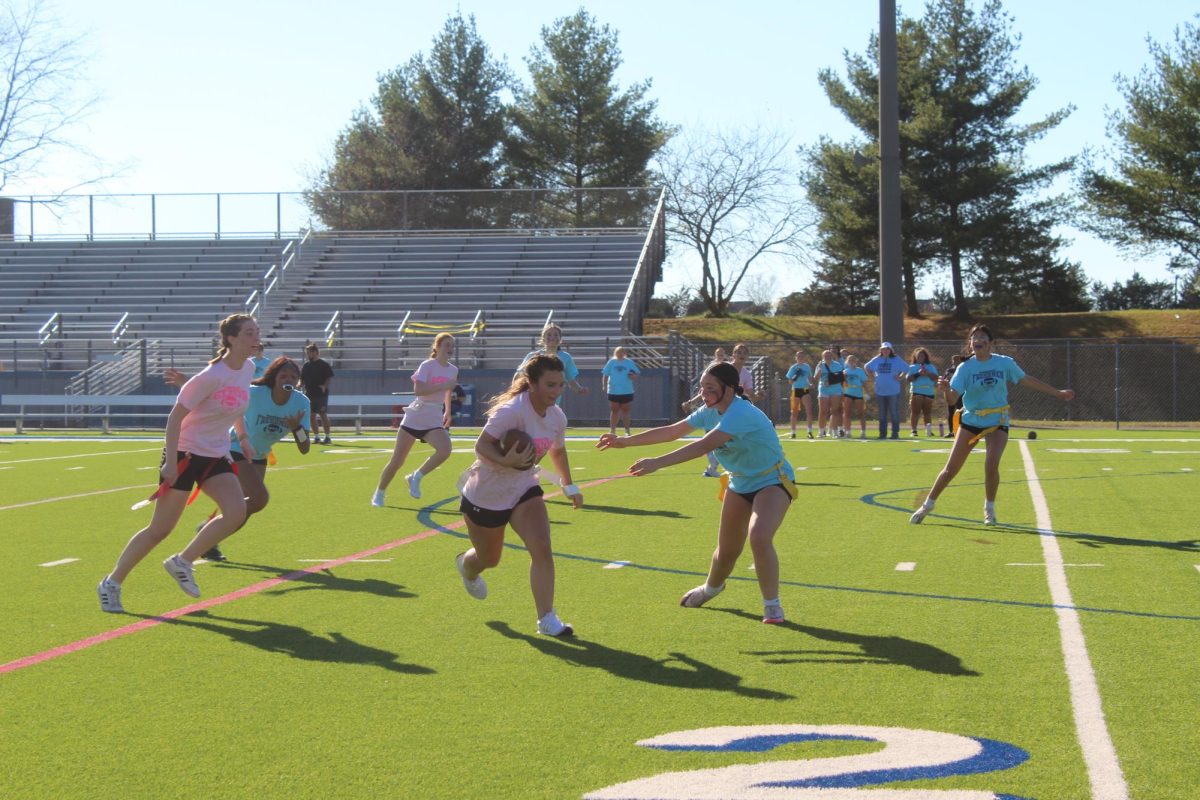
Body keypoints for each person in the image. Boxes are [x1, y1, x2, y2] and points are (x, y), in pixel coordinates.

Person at [597, 361, 796, 624]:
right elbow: (672, 432)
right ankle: (712, 588)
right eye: (702, 387)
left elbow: (702, 446)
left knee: (758, 536)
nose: (704, 393)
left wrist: (656, 462)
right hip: (740, 482)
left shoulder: (740, 413)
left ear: (730, 388)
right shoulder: (709, 410)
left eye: (710, 388)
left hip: (773, 479)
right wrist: (624, 441)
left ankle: (772, 605)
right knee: (726, 552)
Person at [96, 313, 260, 612]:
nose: (255, 338)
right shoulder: (210, 376)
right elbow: (174, 419)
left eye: (256, 332)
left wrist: (244, 437)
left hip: (215, 454)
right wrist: (170, 462)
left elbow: (236, 404)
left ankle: (182, 561)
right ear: (232, 339)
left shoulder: (247, 368)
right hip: (185, 454)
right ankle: (111, 583)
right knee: (160, 529)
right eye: (249, 333)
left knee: (236, 512)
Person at [454, 354, 584, 637]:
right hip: (486, 494)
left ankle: (547, 619)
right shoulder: (511, 411)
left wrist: (569, 485)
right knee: (489, 559)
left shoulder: (556, 417)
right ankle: (467, 566)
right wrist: (505, 462)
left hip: (524, 488)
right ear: (532, 383)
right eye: (550, 385)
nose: (556, 391)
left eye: (560, 385)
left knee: (541, 546)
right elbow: (481, 446)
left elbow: (557, 451)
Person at [910, 324, 1074, 526]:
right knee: (950, 470)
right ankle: (928, 505)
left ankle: (989, 507)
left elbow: (1026, 380)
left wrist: (1057, 393)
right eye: (974, 337)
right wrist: (945, 389)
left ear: (991, 343)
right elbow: (953, 400)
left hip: (998, 420)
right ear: (970, 344)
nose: (978, 340)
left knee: (991, 464)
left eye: (982, 337)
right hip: (971, 421)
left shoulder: (1004, 363)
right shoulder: (965, 368)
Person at [165, 355, 312, 563]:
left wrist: (297, 427)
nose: (287, 380)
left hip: (258, 454)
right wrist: (186, 383)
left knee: (246, 507)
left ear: (298, 381)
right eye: (283, 375)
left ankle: (209, 539)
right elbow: (221, 394)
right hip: (236, 447)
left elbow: (305, 448)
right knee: (259, 498)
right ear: (274, 377)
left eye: (293, 377)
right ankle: (206, 538)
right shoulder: (257, 393)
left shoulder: (301, 402)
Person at [372, 333, 458, 506]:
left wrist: (448, 411)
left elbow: (448, 392)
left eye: (452, 346)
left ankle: (415, 476)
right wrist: (442, 386)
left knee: (445, 450)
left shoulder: (453, 370)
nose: (450, 349)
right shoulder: (427, 365)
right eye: (447, 345)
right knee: (397, 461)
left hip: (433, 418)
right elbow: (419, 390)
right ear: (437, 347)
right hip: (416, 415)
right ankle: (379, 493)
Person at [683, 348, 728, 478]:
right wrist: (691, 402)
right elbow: (673, 431)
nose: (720, 357)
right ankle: (712, 467)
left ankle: (714, 467)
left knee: (722, 440)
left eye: (722, 355)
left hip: (722, 411)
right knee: (709, 439)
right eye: (718, 355)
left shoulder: (727, 370)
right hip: (710, 411)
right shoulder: (710, 370)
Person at [521, 323, 589, 405]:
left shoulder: (565, 357)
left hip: (553, 403)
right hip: (533, 401)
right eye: (549, 335)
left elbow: (571, 380)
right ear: (543, 338)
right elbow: (519, 376)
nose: (552, 337)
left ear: (560, 339)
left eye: (556, 335)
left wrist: (579, 389)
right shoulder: (532, 356)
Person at [865, 342, 907, 439]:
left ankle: (895, 433)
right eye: (883, 349)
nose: (885, 351)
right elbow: (866, 367)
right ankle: (882, 434)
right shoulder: (877, 359)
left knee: (894, 413)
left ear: (891, 350)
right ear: (881, 350)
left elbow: (906, 368)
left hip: (893, 391)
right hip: (880, 391)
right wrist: (872, 375)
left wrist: (900, 376)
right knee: (882, 414)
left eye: (887, 349)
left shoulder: (896, 359)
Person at [601, 346, 640, 436]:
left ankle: (627, 430)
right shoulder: (611, 362)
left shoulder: (629, 362)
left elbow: (636, 374)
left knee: (626, 410)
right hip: (614, 390)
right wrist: (604, 385)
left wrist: (633, 376)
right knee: (614, 410)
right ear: (615, 353)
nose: (620, 354)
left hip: (626, 390)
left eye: (622, 352)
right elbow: (605, 375)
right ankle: (612, 430)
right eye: (618, 352)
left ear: (624, 353)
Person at [300, 343, 334, 444]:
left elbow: (329, 377)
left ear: (315, 352)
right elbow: (302, 379)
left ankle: (327, 437)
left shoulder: (323, 364)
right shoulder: (306, 365)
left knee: (323, 414)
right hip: (309, 393)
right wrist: (299, 384)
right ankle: (317, 436)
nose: (307, 355)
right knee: (311, 415)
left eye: (309, 353)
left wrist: (325, 386)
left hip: (321, 394)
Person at [905, 348, 939, 437]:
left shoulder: (931, 366)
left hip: (929, 392)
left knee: (927, 413)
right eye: (919, 356)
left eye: (922, 356)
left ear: (925, 357)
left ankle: (928, 431)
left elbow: (936, 377)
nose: (920, 357)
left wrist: (927, 373)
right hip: (917, 391)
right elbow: (908, 378)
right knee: (915, 412)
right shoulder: (912, 367)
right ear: (915, 357)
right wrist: (918, 374)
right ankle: (914, 431)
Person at [815, 349, 845, 437]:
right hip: (823, 390)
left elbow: (840, 377)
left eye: (829, 355)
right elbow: (816, 378)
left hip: (836, 390)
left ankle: (835, 432)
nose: (827, 357)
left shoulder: (837, 365)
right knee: (823, 411)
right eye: (825, 355)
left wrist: (830, 382)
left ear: (832, 356)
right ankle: (821, 432)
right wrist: (820, 369)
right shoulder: (820, 365)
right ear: (822, 357)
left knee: (835, 411)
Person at [784, 350, 814, 439]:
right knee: (794, 412)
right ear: (796, 358)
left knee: (809, 411)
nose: (800, 358)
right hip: (796, 390)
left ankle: (809, 431)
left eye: (802, 357)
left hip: (805, 390)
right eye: (798, 357)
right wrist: (796, 375)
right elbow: (790, 381)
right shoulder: (793, 368)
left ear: (805, 358)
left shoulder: (807, 367)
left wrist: (810, 384)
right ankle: (793, 432)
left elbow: (809, 378)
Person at [841, 354, 869, 439]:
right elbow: (842, 383)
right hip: (848, 393)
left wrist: (867, 393)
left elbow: (864, 382)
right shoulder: (845, 371)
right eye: (849, 360)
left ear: (855, 361)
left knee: (861, 413)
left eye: (853, 360)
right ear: (847, 362)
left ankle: (863, 432)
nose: (851, 362)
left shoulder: (860, 371)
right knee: (847, 413)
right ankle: (848, 431)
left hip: (858, 393)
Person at [942, 354, 968, 437]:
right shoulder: (950, 370)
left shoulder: (963, 369)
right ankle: (951, 431)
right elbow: (944, 378)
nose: (955, 363)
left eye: (957, 361)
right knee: (951, 412)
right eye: (953, 361)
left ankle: (960, 429)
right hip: (951, 392)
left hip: (960, 393)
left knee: (960, 411)